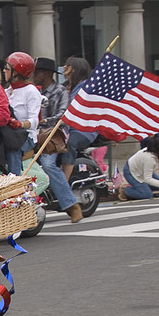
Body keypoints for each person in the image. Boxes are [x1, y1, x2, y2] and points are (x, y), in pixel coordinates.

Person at [32, 56, 81, 222]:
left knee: (48, 164)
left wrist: (44, 122)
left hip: (55, 135)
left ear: (45, 74)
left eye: (36, 72)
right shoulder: (33, 91)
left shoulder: (60, 91)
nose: (33, 75)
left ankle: (71, 205)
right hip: (32, 134)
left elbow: (63, 115)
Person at [58, 56, 98, 220]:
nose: (64, 68)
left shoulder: (86, 88)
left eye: (67, 66)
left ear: (75, 69)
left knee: (69, 143)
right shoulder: (65, 87)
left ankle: (63, 184)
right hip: (66, 127)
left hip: (83, 130)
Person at [2, 52, 42, 175]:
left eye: (7, 69)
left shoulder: (31, 91)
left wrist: (20, 124)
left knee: (13, 148)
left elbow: (35, 121)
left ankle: (14, 182)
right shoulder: (6, 91)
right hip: (7, 133)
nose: (3, 71)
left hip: (26, 137)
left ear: (16, 73)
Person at [118, 133, 159, 201]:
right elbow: (147, 179)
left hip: (144, 171)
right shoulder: (149, 158)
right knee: (146, 194)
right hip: (132, 172)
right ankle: (125, 190)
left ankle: (141, 187)